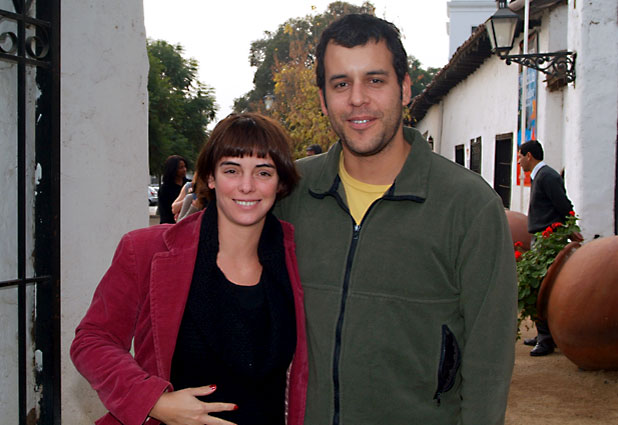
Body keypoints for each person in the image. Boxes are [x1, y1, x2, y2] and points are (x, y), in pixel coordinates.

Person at [274, 14, 517, 425]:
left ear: (404, 88)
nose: (357, 99)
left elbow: (489, 359)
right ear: (323, 99)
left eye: (375, 80)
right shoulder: (290, 193)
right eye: (340, 84)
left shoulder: (469, 206)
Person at [71, 113, 308, 425]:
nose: (247, 186)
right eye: (232, 170)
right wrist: (152, 400)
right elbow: (92, 340)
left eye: (263, 172)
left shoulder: (301, 259)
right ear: (210, 177)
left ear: (281, 183)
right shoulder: (146, 250)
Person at [518, 139, 582, 356]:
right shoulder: (540, 176)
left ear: (529, 156)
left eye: (520, 156)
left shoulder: (548, 176)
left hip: (548, 239)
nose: (519, 162)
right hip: (540, 237)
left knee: (542, 285)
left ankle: (546, 339)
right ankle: (543, 335)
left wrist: (570, 228)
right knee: (538, 285)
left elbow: (563, 205)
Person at [158, 155, 189, 224]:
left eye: (185, 166)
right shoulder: (165, 189)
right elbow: (165, 213)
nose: (184, 169)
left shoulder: (190, 185)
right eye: (181, 167)